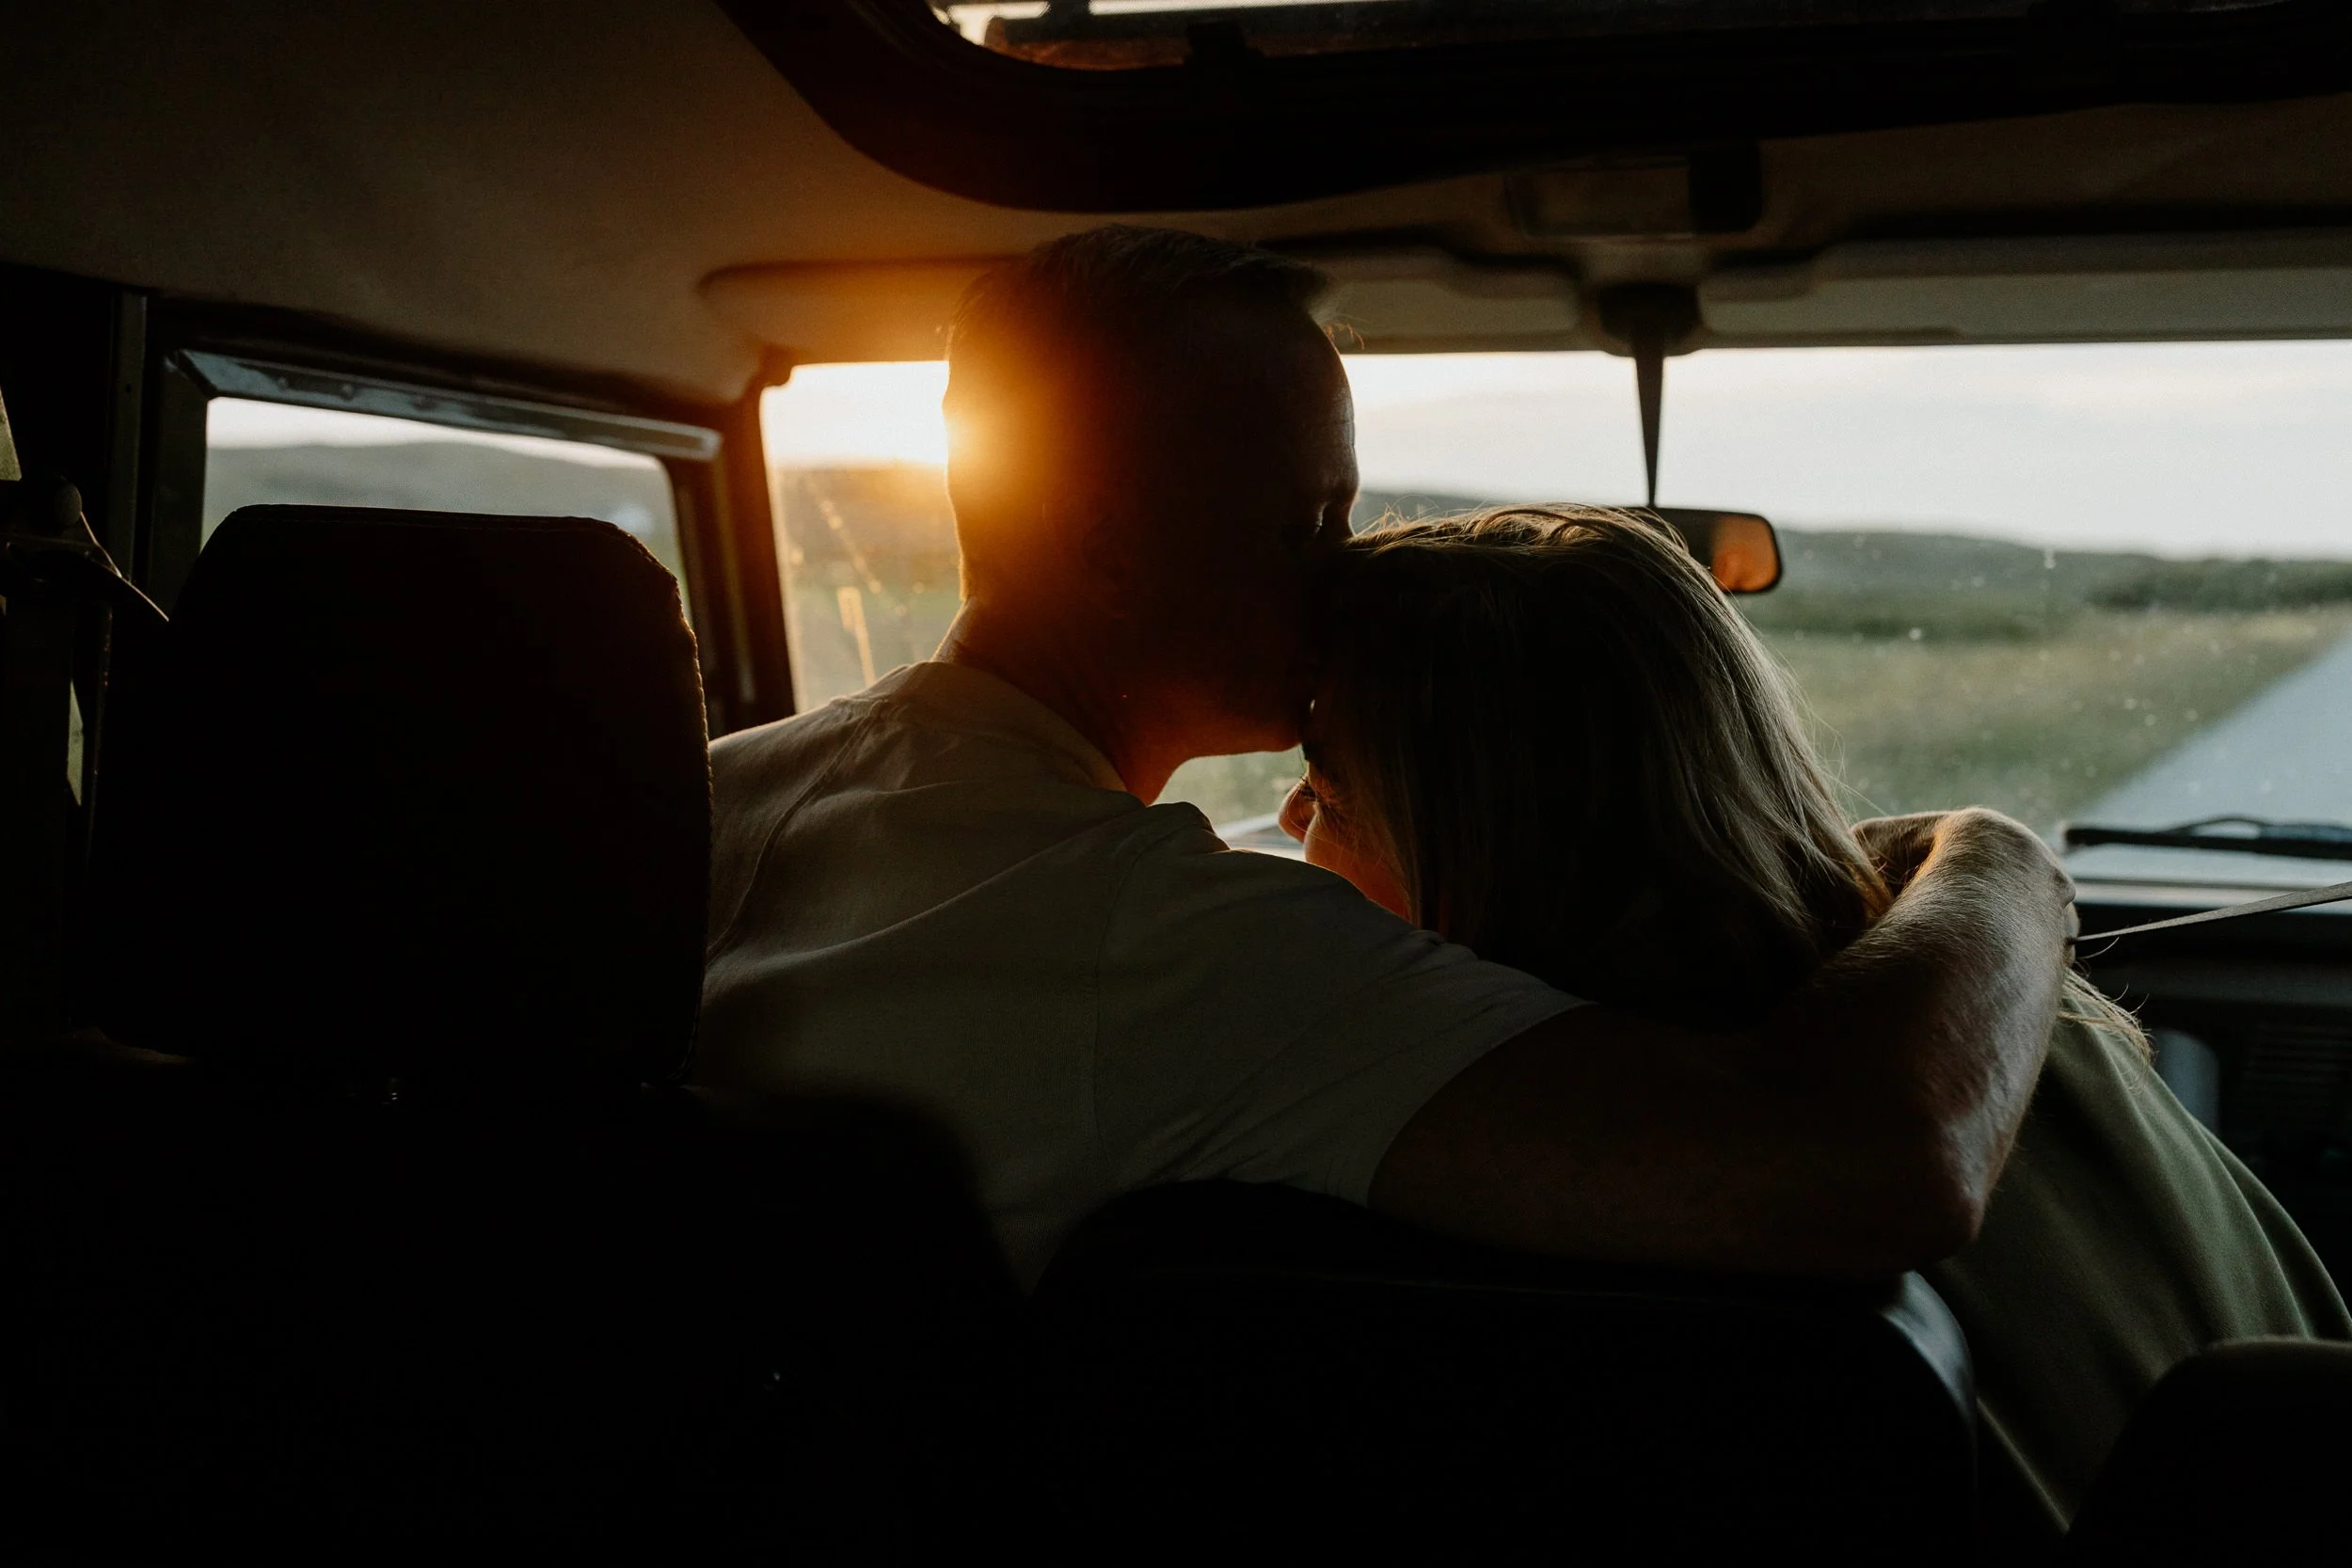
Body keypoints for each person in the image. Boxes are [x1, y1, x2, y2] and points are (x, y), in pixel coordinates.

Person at [696, 224, 2074, 1289]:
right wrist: (2003, 856)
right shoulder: (1164, 942)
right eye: (1309, 524)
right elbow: (1869, 1165)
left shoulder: (717, 791)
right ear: (1109, 549)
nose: (1350, 577)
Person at [1283, 503, 2350, 1538]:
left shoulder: (1653, 1158)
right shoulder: (2013, 997)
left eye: (1327, 795)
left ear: (1491, 843)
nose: (1285, 821)